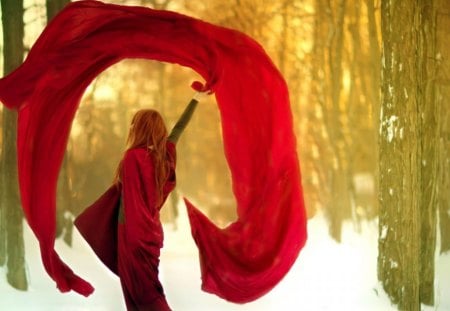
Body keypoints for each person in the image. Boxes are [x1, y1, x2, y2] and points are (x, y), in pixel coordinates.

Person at [75, 91, 207, 311]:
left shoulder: (132, 158)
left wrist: (126, 240)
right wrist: (194, 100)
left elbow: (129, 205)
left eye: (135, 125)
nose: (132, 129)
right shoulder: (164, 157)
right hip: (151, 236)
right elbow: (177, 131)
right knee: (148, 293)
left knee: (144, 298)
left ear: (142, 129)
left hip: (132, 237)